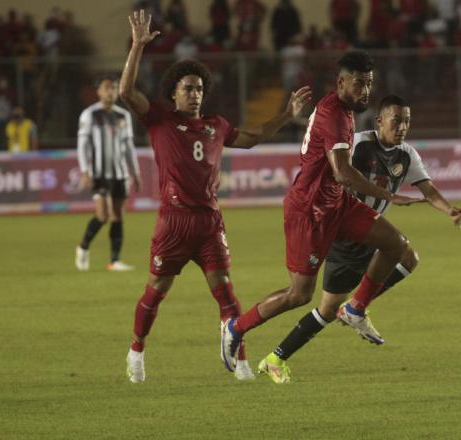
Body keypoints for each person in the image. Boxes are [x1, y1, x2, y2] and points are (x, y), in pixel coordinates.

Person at [119, 10, 311, 383]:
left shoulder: (216, 126)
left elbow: (252, 138)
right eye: (188, 88)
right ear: (174, 92)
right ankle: (136, 351)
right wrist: (138, 47)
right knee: (156, 291)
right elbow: (126, 92)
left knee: (226, 295)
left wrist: (287, 114)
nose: (194, 94)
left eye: (199, 89)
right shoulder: (158, 119)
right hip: (173, 221)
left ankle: (240, 360)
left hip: (209, 222)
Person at [220, 51, 424, 378]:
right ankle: (237, 326)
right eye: (359, 83)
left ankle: (356, 308)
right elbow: (342, 172)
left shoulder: (343, 110)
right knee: (299, 295)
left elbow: (340, 179)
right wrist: (388, 195)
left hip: (336, 204)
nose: (365, 91)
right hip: (310, 210)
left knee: (395, 243)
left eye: (369, 84)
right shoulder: (334, 115)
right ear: (341, 82)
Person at [258, 95, 461, 383]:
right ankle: (280, 354)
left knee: (407, 257)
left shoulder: (407, 155)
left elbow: (429, 191)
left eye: (407, 120)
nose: (403, 126)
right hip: (347, 235)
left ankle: (350, 311)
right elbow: (334, 171)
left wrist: (449, 210)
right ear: (380, 121)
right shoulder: (358, 144)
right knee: (327, 309)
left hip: (372, 232)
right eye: (396, 120)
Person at [74, 75, 141, 273]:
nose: (110, 91)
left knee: (118, 215)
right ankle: (83, 247)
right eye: (106, 88)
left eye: (113, 88)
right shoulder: (90, 114)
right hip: (99, 173)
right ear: (99, 92)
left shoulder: (123, 116)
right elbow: (82, 145)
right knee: (102, 215)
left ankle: (114, 261)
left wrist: (135, 172)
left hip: (120, 173)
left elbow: (129, 146)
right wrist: (85, 171)